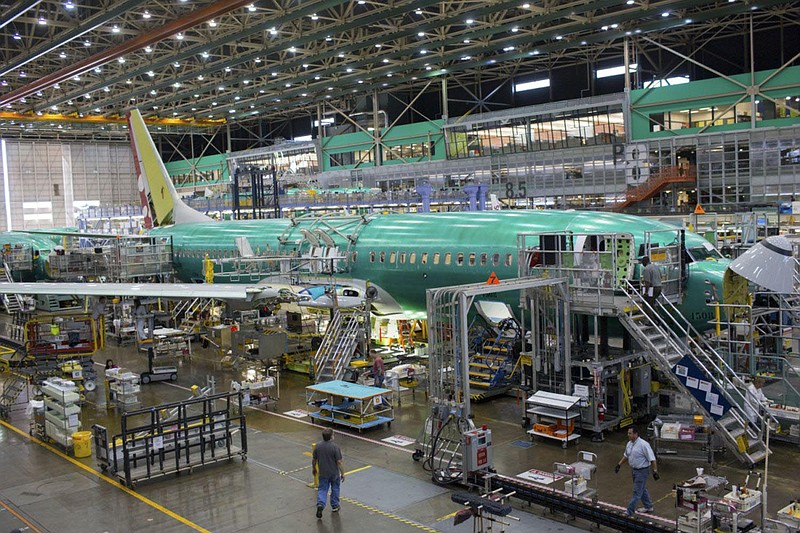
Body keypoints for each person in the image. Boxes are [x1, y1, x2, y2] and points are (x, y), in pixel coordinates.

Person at [615, 426, 659, 517]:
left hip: (642, 471)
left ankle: (629, 511)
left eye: (630, 433)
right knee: (642, 489)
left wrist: (655, 471)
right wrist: (619, 464)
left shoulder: (644, 445)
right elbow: (626, 455)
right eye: (628, 433)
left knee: (637, 492)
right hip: (634, 470)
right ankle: (648, 506)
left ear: (635, 434)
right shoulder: (629, 444)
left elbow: (652, 459)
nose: (628, 435)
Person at [312, 428, 345, 518]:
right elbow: (339, 462)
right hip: (334, 473)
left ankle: (320, 504)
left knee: (322, 489)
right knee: (335, 488)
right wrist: (343, 473)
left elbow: (314, 460)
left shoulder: (318, 446)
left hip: (323, 473)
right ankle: (335, 505)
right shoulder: (335, 447)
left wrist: (314, 469)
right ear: (331, 437)